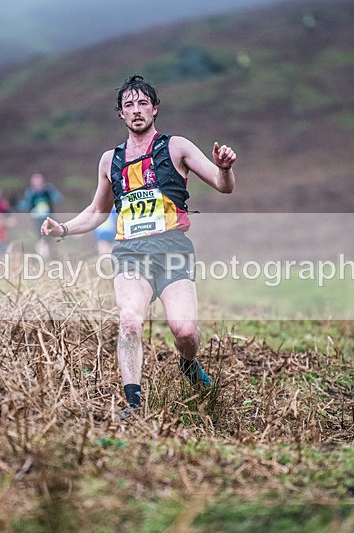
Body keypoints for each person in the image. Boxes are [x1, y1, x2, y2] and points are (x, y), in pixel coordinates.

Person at [41, 75, 236, 418]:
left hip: (173, 249)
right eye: (128, 105)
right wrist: (64, 228)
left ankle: (189, 365)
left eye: (142, 103)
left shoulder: (176, 147)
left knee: (185, 330)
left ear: (155, 108)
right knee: (130, 320)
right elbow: (98, 211)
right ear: (120, 114)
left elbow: (223, 186)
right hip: (131, 252)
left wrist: (225, 169)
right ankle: (133, 404)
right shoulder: (109, 160)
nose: (136, 110)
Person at [18, 172, 62, 259]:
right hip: (37, 221)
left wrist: (50, 191)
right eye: (35, 183)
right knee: (40, 240)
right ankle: (43, 259)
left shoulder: (48, 190)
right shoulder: (30, 193)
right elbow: (25, 206)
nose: (38, 185)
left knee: (51, 239)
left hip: (49, 219)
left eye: (39, 183)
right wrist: (16, 204)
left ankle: (53, 257)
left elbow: (58, 199)